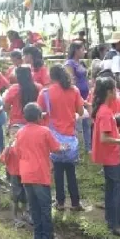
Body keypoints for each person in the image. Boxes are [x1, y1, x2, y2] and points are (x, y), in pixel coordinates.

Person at [90, 76, 120, 239]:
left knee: (111, 189)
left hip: (110, 156)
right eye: (115, 89)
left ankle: (112, 220)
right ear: (109, 92)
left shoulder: (104, 110)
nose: (117, 92)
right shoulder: (105, 113)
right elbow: (104, 138)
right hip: (111, 158)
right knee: (117, 189)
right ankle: (117, 226)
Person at [15, 102, 67, 239]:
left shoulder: (20, 132)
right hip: (40, 174)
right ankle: (49, 237)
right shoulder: (44, 131)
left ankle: (37, 238)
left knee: (34, 208)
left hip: (26, 175)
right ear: (39, 116)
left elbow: (18, 152)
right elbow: (56, 148)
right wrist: (64, 147)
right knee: (45, 208)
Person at [38, 65, 85, 211]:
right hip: (70, 137)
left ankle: (60, 202)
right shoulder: (74, 90)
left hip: (54, 137)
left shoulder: (45, 93)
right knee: (71, 171)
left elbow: (39, 113)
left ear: (51, 77)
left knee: (58, 171)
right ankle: (76, 203)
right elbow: (81, 111)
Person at [0, 126, 32, 227]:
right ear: (9, 136)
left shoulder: (24, 146)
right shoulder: (9, 147)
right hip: (14, 174)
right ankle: (14, 217)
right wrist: (9, 146)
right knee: (15, 195)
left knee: (26, 194)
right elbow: (2, 159)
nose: (15, 135)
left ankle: (25, 213)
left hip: (25, 173)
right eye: (12, 133)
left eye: (17, 133)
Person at [65, 41, 92, 152]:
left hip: (86, 95)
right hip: (76, 96)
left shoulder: (81, 63)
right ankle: (75, 147)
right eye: (82, 49)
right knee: (76, 122)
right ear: (76, 50)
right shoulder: (69, 64)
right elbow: (70, 81)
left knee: (87, 121)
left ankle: (88, 147)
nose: (84, 51)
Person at [2, 65, 42, 133]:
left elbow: (6, 107)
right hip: (35, 122)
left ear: (18, 76)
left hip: (17, 124)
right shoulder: (38, 87)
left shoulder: (14, 89)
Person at [102, 32, 120, 105]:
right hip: (119, 93)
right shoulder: (116, 57)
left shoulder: (107, 55)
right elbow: (116, 77)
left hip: (112, 92)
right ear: (119, 43)